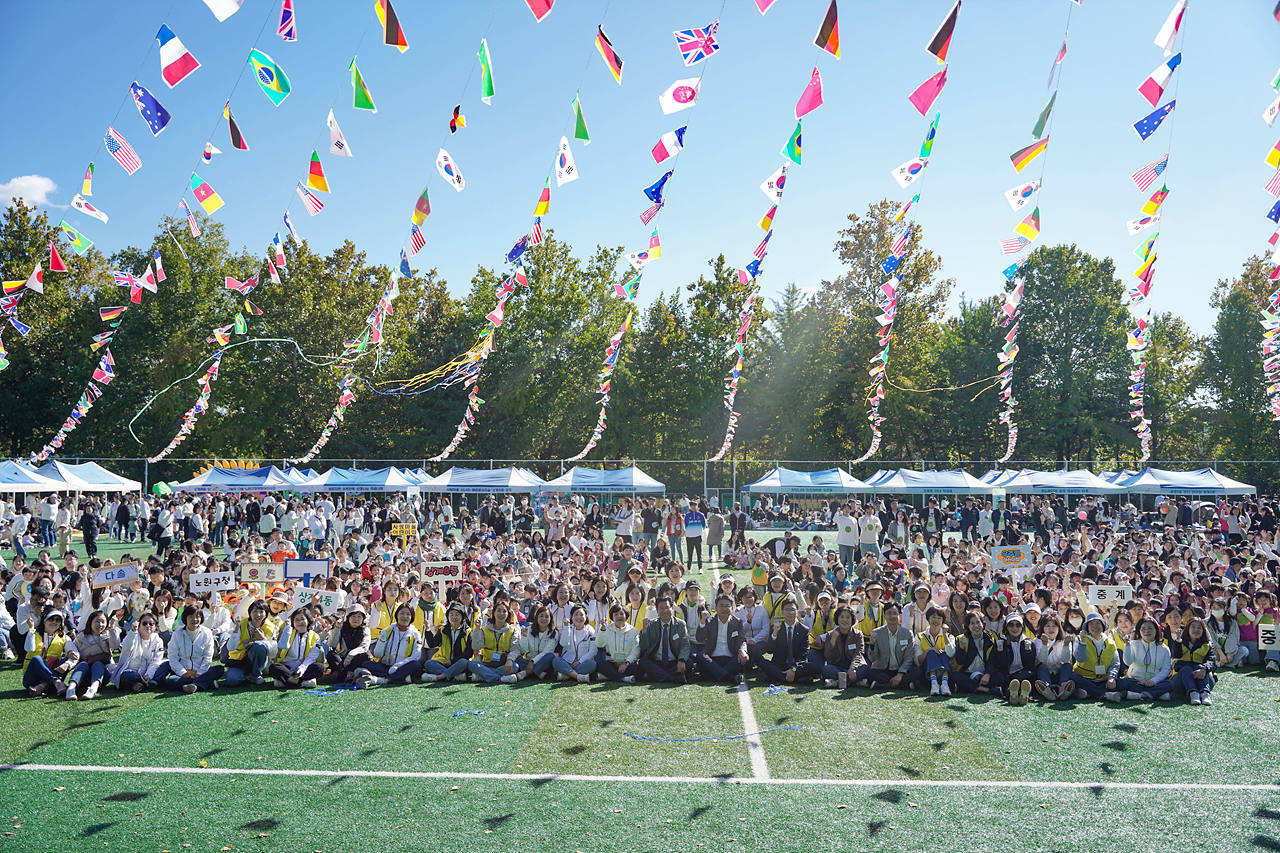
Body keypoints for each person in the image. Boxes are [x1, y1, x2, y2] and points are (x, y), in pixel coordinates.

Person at [360, 603, 424, 687]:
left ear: (412, 617)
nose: (405, 616)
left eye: (408, 614)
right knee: (366, 664)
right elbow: (377, 655)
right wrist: (382, 640)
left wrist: (397, 666)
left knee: (416, 665)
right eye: (402, 613)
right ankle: (401, 678)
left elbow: (416, 656)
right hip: (386, 666)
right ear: (397, 615)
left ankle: (385, 679)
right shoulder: (387, 631)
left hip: (401, 667)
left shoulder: (416, 634)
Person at [164, 606, 224, 693]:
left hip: (201, 672)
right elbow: (172, 657)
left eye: (198, 616)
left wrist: (200, 673)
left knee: (219, 669)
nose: (195, 619)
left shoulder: (207, 633)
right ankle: (206, 683)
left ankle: (195, 684)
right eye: (191, 616)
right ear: (185, 618)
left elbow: (208, 656)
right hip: (183, 673)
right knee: (171, 681)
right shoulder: (177, 634)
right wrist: (182, 673)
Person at [223, 599, 281, 687]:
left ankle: (255, 675)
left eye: (261, 612)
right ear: (250, 613)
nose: (258, 615)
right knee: (232, 681)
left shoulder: (270, 627)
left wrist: (263, 639)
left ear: (266, 613)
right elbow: (230, 647)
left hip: (259, 661)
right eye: (255, 611)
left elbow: (272, 654)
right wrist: (236, 630)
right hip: (239, 661)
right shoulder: (241, 624)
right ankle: (245, 674)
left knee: (259, 645)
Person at [1116, 617, 1174, 701]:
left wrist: (1153, 681)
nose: (1146, 631)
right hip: (1135, 681)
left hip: (1155, 683)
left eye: (1150, 628)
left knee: (1170, 684)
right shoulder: (1133, 644)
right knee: (1121, 682)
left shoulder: (1164, 648)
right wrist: (1127, 645)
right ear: (1139, 631)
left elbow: (1165, 670)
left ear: (1156, 630)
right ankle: (1156, 694)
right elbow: (1127, 661)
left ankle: (1141, 695)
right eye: (1143, 629)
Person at [760, 599, 817, 685]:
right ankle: (798, 680)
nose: (790, 613)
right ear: (782, 612)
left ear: (797, 612)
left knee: (812, 666)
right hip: (780, 664)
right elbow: (769, 650)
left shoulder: (803, 630)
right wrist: (775, 633)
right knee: (763, 663)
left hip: (797, 666)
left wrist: (793, 669)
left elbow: (804, 653)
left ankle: (780, 678)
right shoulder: (775, 627)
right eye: (787, 610)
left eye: (793, 610)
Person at [696, 593, 749, 684]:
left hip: (730, 658)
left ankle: (710, 675)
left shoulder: (737, 622)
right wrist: (702, 622)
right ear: (716, 608)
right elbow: (699, 638)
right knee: (700, 656)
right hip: (713, 658)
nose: (724, 609)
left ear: (732, 608)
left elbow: (741, 639)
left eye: (727, 606)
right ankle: (730, 677)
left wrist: (742, 650)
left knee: (745, 658)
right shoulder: (709, 620)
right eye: (721, 606)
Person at [1069, 612, 1123, 702]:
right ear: (1087, 627)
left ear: (1102, 625)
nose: (1095, 626)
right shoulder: (1079, 639)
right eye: (1091, 624)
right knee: (1073, 678)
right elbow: (1080, 659)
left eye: (1098, 623)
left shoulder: (1110, 642)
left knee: (1126, 682)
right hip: (1085, 678)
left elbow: (1115, 663)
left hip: (1104, 679)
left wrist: (1111, 677)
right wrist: (1083, 642)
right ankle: (1105, 694)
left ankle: (1089, 693)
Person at [22, 609, 76, 697]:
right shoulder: (34, 634)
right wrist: (31, 629)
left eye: (58, 620)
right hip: (32, 679)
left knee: (66, 660)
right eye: (51, 619)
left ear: (60, 624)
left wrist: (68, 663)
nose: (54, 622)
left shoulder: (64, 637)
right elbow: (29, 649)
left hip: (52, 673)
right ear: (44, 621)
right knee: (36, 658)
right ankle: (57, 682)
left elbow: (76, 655)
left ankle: (42, 686)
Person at [66, 609, 118, 700]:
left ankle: (93, 689)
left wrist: (112, 627)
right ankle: (71, 689)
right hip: (84, 675)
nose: (100, 625)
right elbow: (74, 654)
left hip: (102, 674)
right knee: (83, 664)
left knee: (97, 663)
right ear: (90, 622)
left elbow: (116, 645)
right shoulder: (81, 637)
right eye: (97, 621)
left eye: (103, 622)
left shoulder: (107, 636)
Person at [637, 595, 690, 683]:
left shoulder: (680, 624)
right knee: (643, 662)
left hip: (674, 661)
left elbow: (685, 645)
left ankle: (654, 676)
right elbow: (644, 646)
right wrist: (644, 630)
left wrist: (681, 660)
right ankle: (672, 678)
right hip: (657, 662)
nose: (664, 611)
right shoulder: (651, 624)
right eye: (661, 608)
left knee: (689, 663)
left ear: (672, 608)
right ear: (657, 610)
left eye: (667, 607)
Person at [468, 599, 521, 684]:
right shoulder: (484, 629)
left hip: (504, 664)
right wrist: (477, 629)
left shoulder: (513, 630)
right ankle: (499, 678)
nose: (501, 614)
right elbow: (476, 647)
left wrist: (510, 660)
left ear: (508, 614)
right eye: (498, 611)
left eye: (504, 611)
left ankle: (484, 676)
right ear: (493, 613)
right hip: (487, 664)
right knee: (472, 664)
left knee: (515, 666)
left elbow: (515, 648)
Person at [269, 609, 324, 689]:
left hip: (303, 667)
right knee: (274, 667)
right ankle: (301, 682)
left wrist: (302, 668)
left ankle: (287, 681)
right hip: (287, 667)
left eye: (302, 619)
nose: (299, 622)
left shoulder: (315, 636)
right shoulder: (288, 630)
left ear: (308, 620)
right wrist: (287, 628)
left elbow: (311, 657)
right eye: (296, 620)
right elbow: (283, 646)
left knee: (319, 668)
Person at [111, 612, 166, 691]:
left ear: (155, 627)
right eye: (144, 623)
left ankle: (143, 683)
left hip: (149, 672)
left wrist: (148, 675)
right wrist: (132, 632)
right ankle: (150, 682)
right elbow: (126, 647)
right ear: (139, 625)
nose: (148, 626)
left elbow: (155, 662)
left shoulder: (158, 640)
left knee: (166, 664)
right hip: (133, 672)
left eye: (151, 624)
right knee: (126, 676)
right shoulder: (133, 635)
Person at [1171, 615, 1218, 706]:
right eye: (1193, 627)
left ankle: (1205, 693)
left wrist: (1204, 669)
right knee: (1186, 669)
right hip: (1182, 681)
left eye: (1199, 627)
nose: (1196, 630)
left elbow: (1212, 661)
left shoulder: (1207, 645)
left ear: (1203, 630)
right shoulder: (1180, 641)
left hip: (1204, 678)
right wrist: (1178, 640)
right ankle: (1193, 693)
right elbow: (1176, 655)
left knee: (1199, 667)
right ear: (1187, 629)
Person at [421, 603, 473, 683]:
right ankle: (455, 675)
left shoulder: (468, 631)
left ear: (462, 617)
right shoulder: (443, 630)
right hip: (444, 661)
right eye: (451, 615)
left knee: (464, 662)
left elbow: (468, 653)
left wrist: (452, 662)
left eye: (457, 615)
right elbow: (432, 644)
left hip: (458, 663)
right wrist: (427, 630)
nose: (453, 617)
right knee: (429, 663)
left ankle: (439, 677)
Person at [820, 605, 865, 689]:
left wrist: (852, 668)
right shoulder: (830, 634)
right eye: (842, 617)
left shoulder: (858, 634)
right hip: (838, 667)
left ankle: (838, 682)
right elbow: (828, 656)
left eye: (848, 617)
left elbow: (858, 653)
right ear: (837, 619)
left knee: (866, 668)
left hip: (854, 667)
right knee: (826, 669)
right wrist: (833, 641)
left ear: (852, 620)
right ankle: (853, 682)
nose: (845, 620)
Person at [326, 605, 373, 684]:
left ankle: (340, 673)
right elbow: (332, 644)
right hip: (342, 658)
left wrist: (350, 656)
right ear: (348, 617)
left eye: (359, 616)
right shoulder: (341, 627)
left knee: (363, 656)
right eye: (353, 616)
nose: (356, 619)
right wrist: (337, 629)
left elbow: (364, 647)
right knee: (331, 654)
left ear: (363, 618)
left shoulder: (365, 630)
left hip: (355, 658)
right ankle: (348, 674)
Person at [596, 603, 641, 683]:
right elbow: (599, 644)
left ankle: (609, 677)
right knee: (601, 664)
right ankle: (624, 678)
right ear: (612, 617)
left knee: (636, 668)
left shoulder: (633, 631)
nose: (619, 616)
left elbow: (636, 650)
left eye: (621, 614)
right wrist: (602, 629)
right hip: (612, 663)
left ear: (626, 615)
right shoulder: (607, 629)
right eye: (616, 614)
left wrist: (626, 663)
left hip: (627, 664)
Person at [552, 604, 597, 683]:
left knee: (592, 664)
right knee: (556, 661)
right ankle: (578, 676)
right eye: (576, 614)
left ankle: (566, 674)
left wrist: (580, 662)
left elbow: (593, 651)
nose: (579, 617)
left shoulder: (590, 630)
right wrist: (566, 628)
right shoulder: (567, 628)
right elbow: (563, 643)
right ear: (571, 617)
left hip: (582, 663)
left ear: (586, 617)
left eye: (581, 615)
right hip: (567, 662)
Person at [915, 606, 955, 696]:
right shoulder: (919, 636)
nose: (936, 620)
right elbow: (918, 661)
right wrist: (930, 650)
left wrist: (944, 635)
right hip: (926, 674)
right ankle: (934, 684)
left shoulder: (949, 636)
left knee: (943, 653)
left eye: (939, 618)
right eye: (933, 617)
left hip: (944, 672)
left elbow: (951, 654)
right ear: (928, 618)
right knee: (931, 653)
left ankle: (945, 684)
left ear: (942, 621)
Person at [515, 604, 557, 681]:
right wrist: (524, 636)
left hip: (543, 663)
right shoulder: (529, 629)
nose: (544, 619)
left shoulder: (554, 633)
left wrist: (532, 662)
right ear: (536, 617)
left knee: (550, 656)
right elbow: (522, 651)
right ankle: (538, 672)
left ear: (550, 619)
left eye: (547, 616)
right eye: (541, 616)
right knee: (516, 658)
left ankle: (526, 673)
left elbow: (546, 652)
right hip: (528, 661)